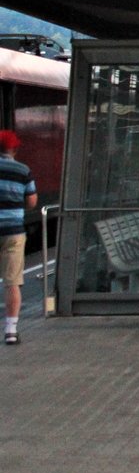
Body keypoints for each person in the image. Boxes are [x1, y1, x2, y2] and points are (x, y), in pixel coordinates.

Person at [0, 130, 36, 345]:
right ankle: (11, 331)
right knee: (12, 282)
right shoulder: (23, 170)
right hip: (13, 232)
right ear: (14, 148)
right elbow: (32, 202)